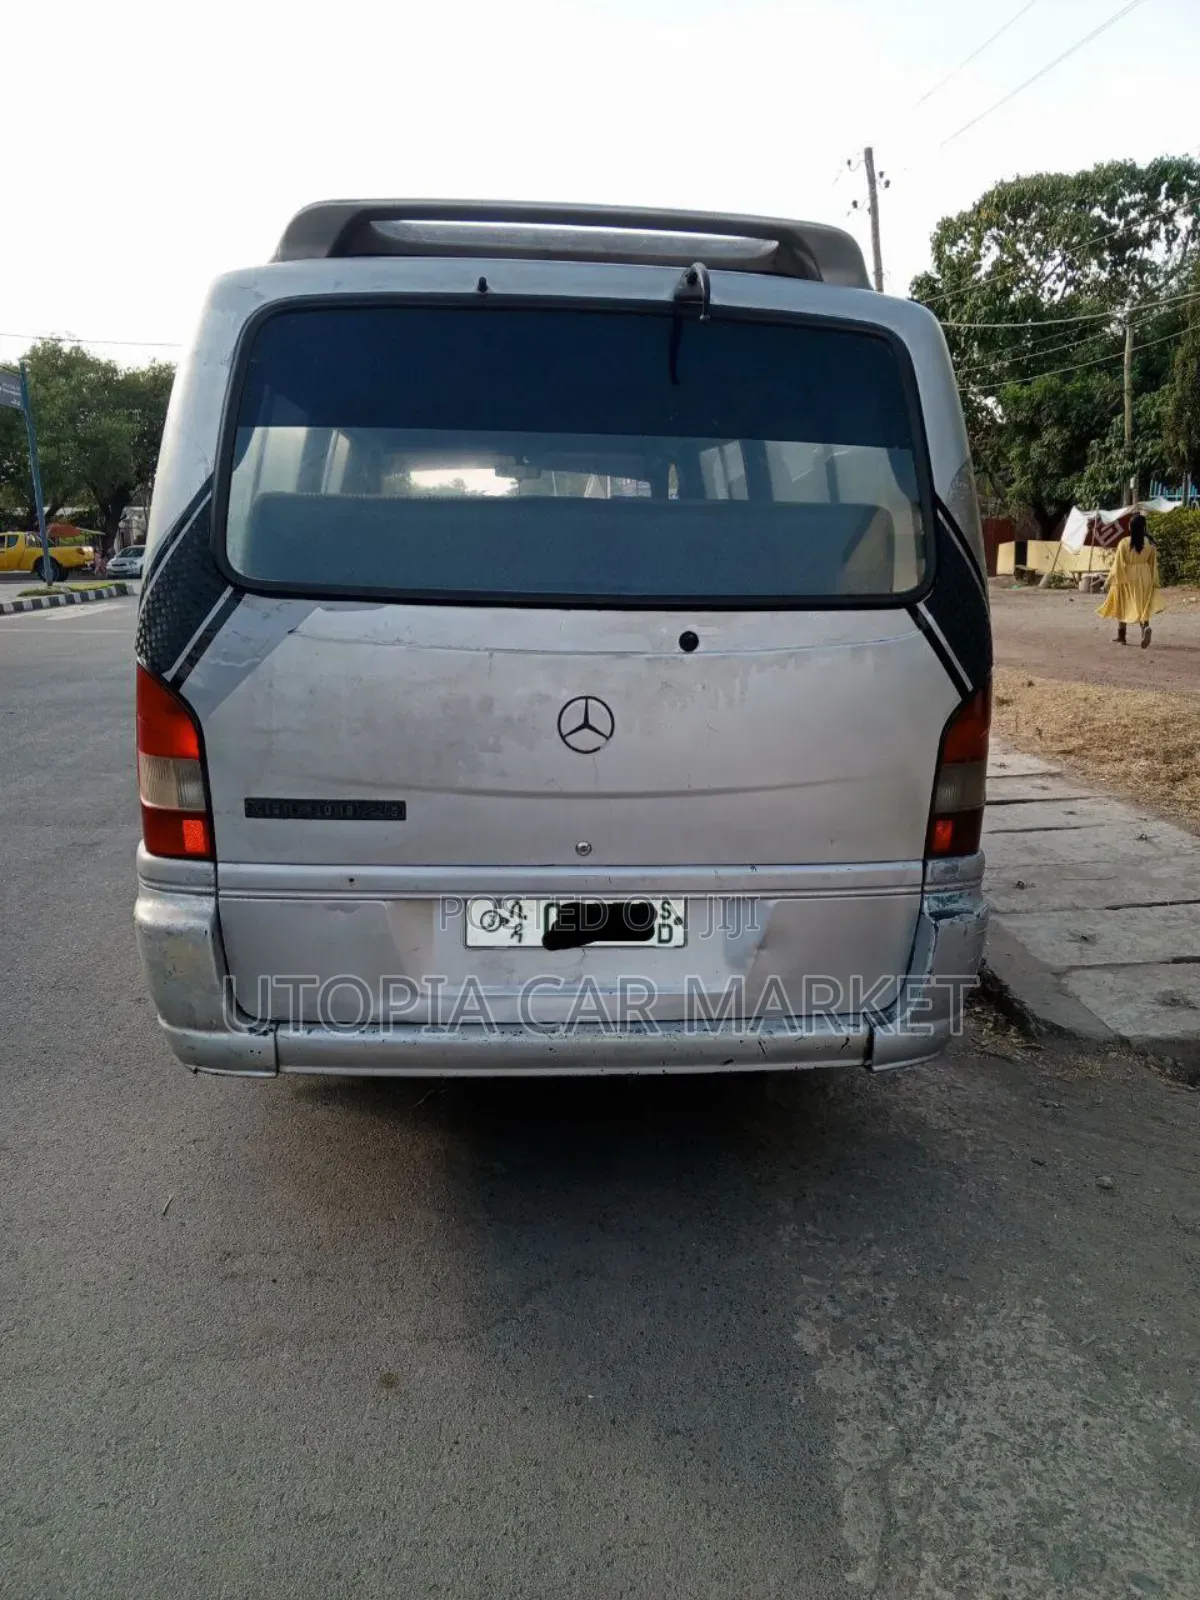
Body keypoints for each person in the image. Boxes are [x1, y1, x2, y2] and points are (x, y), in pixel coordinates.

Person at [1098, 513, 1163, 647]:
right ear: (1144, 527)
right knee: (1142, 604)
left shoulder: (1124, 542)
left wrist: (1108, 581)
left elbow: (1117, 565)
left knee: (1123, 604)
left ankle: (1121, 636)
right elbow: (1153, 564)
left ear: (1130, 526)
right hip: (1145, 576)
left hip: (1126, 577)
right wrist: (1154, 582)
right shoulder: (1150, 543)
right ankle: (1145, 628)